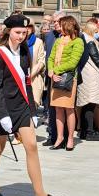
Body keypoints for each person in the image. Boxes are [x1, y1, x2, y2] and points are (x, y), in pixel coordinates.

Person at [0, 14, 64, 196]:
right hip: (2, 106)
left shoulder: (23, 52)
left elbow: (27, 82)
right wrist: (3, 115)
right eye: (17, 32)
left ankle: (40, 195)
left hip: (21, 106)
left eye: (24, 32)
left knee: (32, 146)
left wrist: (32, 110)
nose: (21, 36)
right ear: (8, 32)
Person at [47, 16, 84, 151]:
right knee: (58, 109)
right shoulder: (58, 40)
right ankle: (60, 138)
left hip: (68, 79)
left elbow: (73, 63)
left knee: (69, 109)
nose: (58, 27)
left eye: (61, 25)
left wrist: (56, 70)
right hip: (55, 78)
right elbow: (51, 57)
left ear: (68, 26)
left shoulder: (78, 42)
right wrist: (50, 71)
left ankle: (70, 139)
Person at [77, 21, 99, 141]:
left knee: (87, 104)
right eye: (97, 30)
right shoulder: (90, 41)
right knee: (90, 104)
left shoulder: (85, 39)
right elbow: (97, 59)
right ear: (92, 30)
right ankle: (89, 132)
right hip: (91, 77)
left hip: (88, 76)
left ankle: (84, 131)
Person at [42, 11, 66, 146]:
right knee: (51, 108)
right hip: (51, 77)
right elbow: (48, 56)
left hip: (66, 78)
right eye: (54, 22)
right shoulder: (49, 36)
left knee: (65, 109)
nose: (55, 24)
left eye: (58, 21)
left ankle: (65, 136)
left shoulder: (75, 36)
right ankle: (52, 135)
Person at [27, 17, 45, 108]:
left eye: (29, 26)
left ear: (33, 28)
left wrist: (31, 75)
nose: (27, 29)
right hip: (19, 79)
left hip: (34, 79)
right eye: (25, 26)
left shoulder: (38, 42)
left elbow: (41, 61)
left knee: (33, 107)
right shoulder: (17, 42)